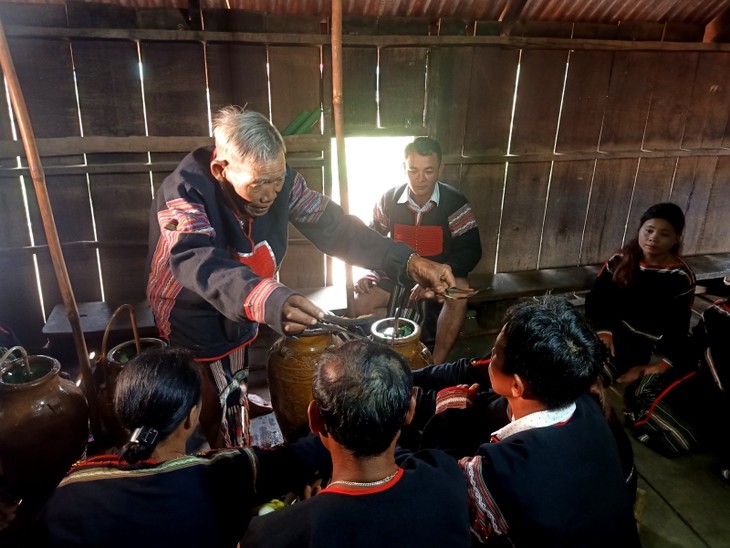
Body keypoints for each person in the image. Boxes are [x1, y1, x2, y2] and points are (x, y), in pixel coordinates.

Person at [146, 107, 455, 448]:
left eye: (277, 180)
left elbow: (334, 227)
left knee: (234, 372)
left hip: (247, 297)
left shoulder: (283, 182)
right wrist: (271, 298)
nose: (270, 194)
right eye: (259, 183)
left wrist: (407, 261)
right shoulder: (185, 192)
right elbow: (196, 258)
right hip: (188, 305)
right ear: (222, 170)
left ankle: (236, 415)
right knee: (205, 384)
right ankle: (226, 450)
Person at [36, 347, 329, 548]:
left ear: (123, 412)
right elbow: (299, 457)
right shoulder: (226, 473)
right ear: (191, 416)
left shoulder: (71, 490)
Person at [242, 339, 472, 547]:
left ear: (314, 418)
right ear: (410, 412)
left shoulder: (271, 534)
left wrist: (308, 513)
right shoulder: (447, 477)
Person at [452, 297, 640, 546]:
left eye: (495, 352)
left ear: (517, 386)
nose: (490, 356)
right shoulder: (585, 402)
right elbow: (472, 371)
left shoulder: (502, 468)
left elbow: (440, 494)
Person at [352, 137, 481, 364]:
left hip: (438, 280)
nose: (420, 179)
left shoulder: (455, 203)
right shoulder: (388, 200)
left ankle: (436, 364)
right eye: (413, 170)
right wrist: (370, 273)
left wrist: (444, 271)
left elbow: (471, 249)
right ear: (404, 168)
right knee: (361, 301)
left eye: (429, 171)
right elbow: (373, 242)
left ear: (440, 168)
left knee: (460, 290)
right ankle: (383, 358)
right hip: (398, 275)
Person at [585, 202, 699, 455]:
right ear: (640, 229)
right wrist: (603, 330)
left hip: (637, 346)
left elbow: (678, 330)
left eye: (664, 233)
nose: (653, 238)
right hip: (605, 336)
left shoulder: (680, 277)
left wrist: (656, 365)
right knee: (569, 365)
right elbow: (596, 301)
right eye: (649, 230)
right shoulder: (619, 261)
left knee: (589, 379)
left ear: (676, 238)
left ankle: (596, 438)